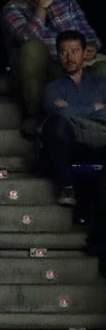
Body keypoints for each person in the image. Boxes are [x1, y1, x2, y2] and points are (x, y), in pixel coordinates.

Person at [0, 0, 101, 131]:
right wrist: (41, 8)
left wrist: (91, 46)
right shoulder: (12, 9)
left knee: (103, 68)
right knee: (32, 48)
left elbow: (87, 32)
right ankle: (36, 114)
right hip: (46, 65)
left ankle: (95, 118)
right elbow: (27, 38)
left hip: (77, 61)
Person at [41, 31, 106, 206]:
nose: (69, 57)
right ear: (58, 55)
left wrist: (71, 109)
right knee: (55, 124)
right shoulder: (53, 88)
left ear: (84, 53)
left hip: (100, 139)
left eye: (75, 51)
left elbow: (67, 111)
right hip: (72, 142)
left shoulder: (101, 84)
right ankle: (67, 187)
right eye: (64, 52)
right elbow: (59, 112)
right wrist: (94, 107)